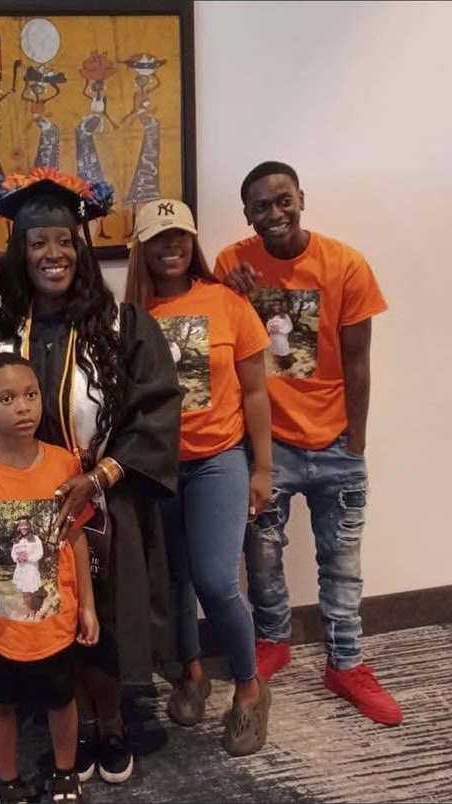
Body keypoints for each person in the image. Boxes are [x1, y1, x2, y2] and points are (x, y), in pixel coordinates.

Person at [0, 167, 182, 784]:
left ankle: (110, 724)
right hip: (19, 508)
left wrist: (100, 477)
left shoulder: (124, 326)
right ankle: (61, 720)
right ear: (20, 256)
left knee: (99, 616)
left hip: (103, 503)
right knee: (43, 617)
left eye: (64, 240)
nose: (53, 254)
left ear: (81, 246)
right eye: (36, 242)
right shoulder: (0, 334)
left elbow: (154, 412)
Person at [215, 160, 402, 726]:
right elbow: (221, 346)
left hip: (336, 439)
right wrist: (230, 293)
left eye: (283, 200)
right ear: (247, 213)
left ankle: (346, 663)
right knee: (263, 556)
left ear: (301, 199)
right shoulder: (232, 263)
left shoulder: (345, 264)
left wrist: (357, 440)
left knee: (342, 563)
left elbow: (358, 360)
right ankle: (273, 640)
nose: (274, 214)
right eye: (261, 206)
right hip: (268, 445)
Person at [124, 198, 273, 756]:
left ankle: (249, 688)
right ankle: (190, 671)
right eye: (160, 238)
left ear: (193, 241)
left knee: (214, 578)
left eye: (180, 235)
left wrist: (262, 468)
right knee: (174, 578)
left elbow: (256, 391)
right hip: (157, 468)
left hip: (218, 460)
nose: (172, 247)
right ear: (142, 247)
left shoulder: (227, 303)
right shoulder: (130, 316)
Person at [0, 352, 99, 804]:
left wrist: (86, 604)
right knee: (1, 704)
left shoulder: (64, 464)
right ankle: (8, 780)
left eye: (30, 395)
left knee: (61, 700)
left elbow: (77, 536)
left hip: (56, 622)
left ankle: (66, 773)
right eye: (7, 398)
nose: (24, 407)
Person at [10, 518, 44, 619]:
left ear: (29, 526)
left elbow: (40, 553)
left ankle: (32, 611)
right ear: (19, 527)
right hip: (21, 570)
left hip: (31, 569)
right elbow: (12, 553)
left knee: (30, 593)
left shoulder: (35, 538)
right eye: (21, 525)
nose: (24, 527)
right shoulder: (17, 540)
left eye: (25, 525)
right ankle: (28, 611)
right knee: (24, 593)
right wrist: (17, 558)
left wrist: (28, 558)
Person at [265, 301, 294, 375]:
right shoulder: (271, 317)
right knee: (274, 354)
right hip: (273, 338)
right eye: (274, 305)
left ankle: (281, 369)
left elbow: (289, 327)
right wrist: (270, 329)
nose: (276, 307)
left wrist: (279, 330)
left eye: (278, 305)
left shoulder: (285, 316)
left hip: (281, 338)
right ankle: (276, 368)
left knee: (281, 354)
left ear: (281, 307)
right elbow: (268, 326)